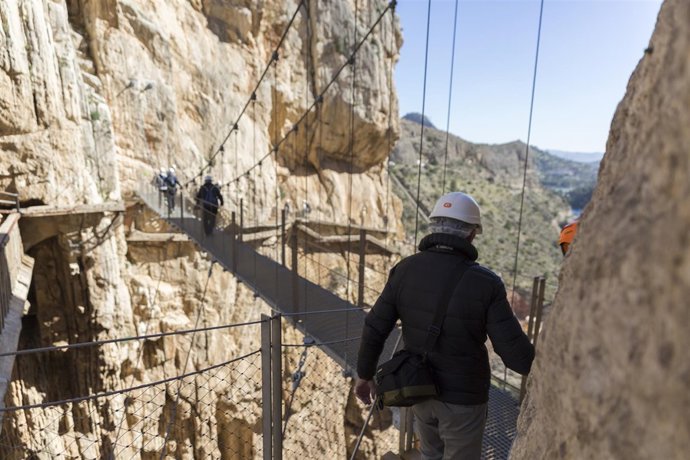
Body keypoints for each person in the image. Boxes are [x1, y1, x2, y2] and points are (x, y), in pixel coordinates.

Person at [355, 192, 535, 460]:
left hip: (419, 388)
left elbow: (375, 327)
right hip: (463, 399)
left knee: (430, 454)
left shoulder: (404, 269)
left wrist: (364, 374)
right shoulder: (486, 283)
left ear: (434, 226)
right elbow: (517, 358)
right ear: (472, 234)